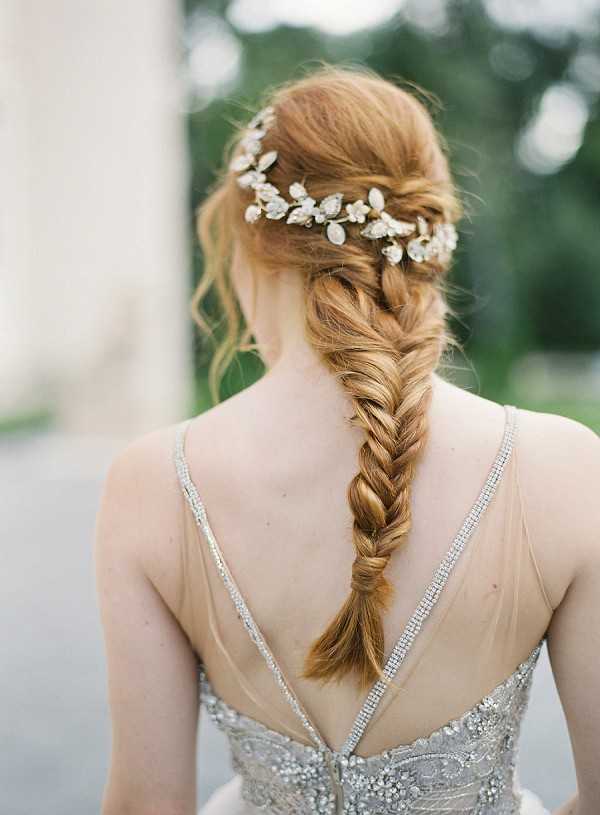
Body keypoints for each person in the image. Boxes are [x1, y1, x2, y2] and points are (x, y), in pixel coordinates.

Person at [94, 65, 599, 815]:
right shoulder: (562, 467)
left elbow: (145, 805)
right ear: (430, 237)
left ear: (250, 241)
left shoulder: (152, 483)